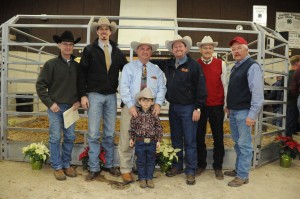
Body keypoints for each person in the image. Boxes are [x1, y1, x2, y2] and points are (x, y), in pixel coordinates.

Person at [151, 34, 207, 185]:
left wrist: (198, 108)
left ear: (186, 48)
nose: (178, 48)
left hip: (189, 108)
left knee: (189, 141)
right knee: (176, 138)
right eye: (175, 47)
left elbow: (201, 89)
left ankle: (190, 171)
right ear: (172, 50)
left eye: (180, 46)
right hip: (173, 107)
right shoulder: (169, 64)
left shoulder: (194, 65)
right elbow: (153, 61)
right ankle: (177, 166)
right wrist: (144, 58)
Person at [77, 17, 128, 181]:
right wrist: (83, 95)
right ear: (97, 31)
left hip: (111, 96)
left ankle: (108, 164)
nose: (104, 31)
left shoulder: (117, 51)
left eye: (107, 29)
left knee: (109, 132)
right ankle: (93, 166)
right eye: (101, 29)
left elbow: (127, 71)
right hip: (94, 95)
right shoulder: (90, 50)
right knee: (93, 132)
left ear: (110, 32)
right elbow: (82, 73)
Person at [119, 36, 166, 183]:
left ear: (151, 52)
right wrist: (131, 105)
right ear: (137, 51)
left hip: (149, 109)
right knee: (127, 137)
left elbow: (161, 88)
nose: (145, 51)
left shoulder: (156, 70)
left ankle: (141, 168)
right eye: (142, 48)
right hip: (131, 107)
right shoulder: (129, 68)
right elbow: (124, 87)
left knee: (147, 138)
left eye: (148, 49)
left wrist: (158, 104)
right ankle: (126, 169)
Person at [36, 31, 81, 181]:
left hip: (71, 108)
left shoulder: (77, 66)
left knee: (69, 137)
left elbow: (81, 86)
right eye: (65, 44)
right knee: (55, 137)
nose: (68, 47)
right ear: (59, 45)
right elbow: (40, 85)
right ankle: (57, 166)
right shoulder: (51, 65)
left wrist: (78, 100)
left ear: (73, 46)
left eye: (70, 44)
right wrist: (50, 103)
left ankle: (66, 164)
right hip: (55, 107)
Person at [224, 36, 264, 187]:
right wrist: (228, 105)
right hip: (234, 111)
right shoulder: (236, 66)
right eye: (233, 49)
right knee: (237, 143)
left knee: (245, 144)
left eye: (239, 48)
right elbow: (234, 89)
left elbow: (258, 94)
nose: (236, 51)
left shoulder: (252, 66)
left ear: (247, 49)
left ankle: (242, 175)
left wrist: (252, 114)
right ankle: (239, 169)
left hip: (244, 112)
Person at [195, 36, 227, 180]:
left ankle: (218, 166)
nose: (207, 50)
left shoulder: (221, 64)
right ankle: (201, 164)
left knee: (218, 138)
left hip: (217, 106)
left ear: (213, 49)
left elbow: (225, 85)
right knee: (199, 137)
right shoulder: (195, 64)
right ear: (200, 49)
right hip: (201, 107)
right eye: (204, 47)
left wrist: (226, 105)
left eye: (210, 47)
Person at [129, 88, 163, 189]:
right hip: (140, 141)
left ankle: (149, 178)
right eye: (144, 100)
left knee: (151, 160)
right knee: (141, 160)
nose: (146, 103)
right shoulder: (136, 114)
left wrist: (158, 140)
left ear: (152, 102)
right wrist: (131, 138)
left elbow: (159, 127)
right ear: (139, 101)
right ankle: (142, 178)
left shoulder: (154, 114)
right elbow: (132, 128)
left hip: (151, 142)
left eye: (148, 100)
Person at [286, 55, 300, 137]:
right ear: (297, 63)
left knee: (289, 122)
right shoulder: (295, 74)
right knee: (290, 123)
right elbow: (293, 90)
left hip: (288, 101)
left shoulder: (287, 74)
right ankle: (287, 143)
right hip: (293, 101)